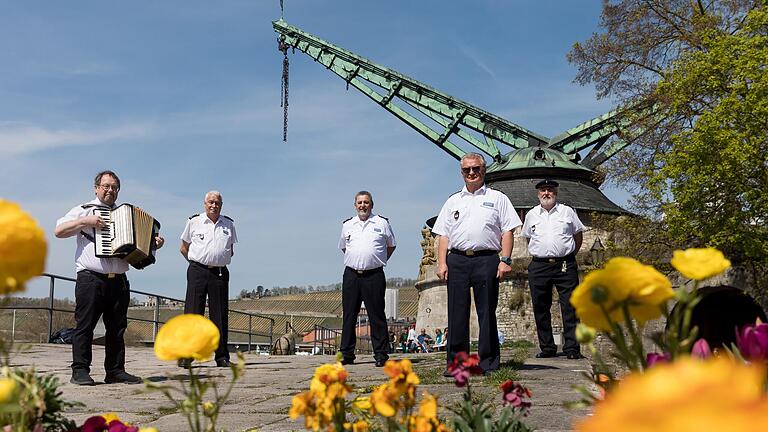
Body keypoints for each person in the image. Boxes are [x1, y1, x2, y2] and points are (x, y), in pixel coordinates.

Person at [55, 170, 165, 385]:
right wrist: (86, 221)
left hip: (119, 280)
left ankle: (115, 371)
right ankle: (80, 370)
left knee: (117, 328)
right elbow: (59, 231)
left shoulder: (126, 214)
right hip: (91, 278)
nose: (110, 190)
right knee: (84, 326)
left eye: (114, 187)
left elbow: (139, 246)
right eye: (106, 186)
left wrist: (155, 244)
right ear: (96, 188)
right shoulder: (84, 210)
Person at [433, 153, 522, 374]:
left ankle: (489, 362)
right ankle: (457, 364)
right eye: (467, 170)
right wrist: (441, 263)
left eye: (476, 169)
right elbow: (443, 235)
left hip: (487, 259)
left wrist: (505, 260)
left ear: (484, 170)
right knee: (456, 313)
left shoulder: (498, 198)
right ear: (461, 172)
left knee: (486, 311)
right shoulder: (453, 201)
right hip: (457, 260)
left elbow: (507, 231)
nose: (471, 173)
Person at [521, 179, 584, 360]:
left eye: (549, 190)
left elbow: (577, 235)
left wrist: (569, 254)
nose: (546, 193)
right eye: (543, 190)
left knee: (570, 306)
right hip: (539, 265)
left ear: (555, 192)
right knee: (540, 306)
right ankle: (547, 347)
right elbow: (528, 238)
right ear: (538, 194)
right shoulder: (532, 214)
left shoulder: (567, 212)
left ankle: (572, 348)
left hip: (565, 264)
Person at [180, 191, 238, 367]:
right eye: (211, 202)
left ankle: (221, 357)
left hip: (219, 273)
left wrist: (217, 260)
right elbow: (183, 248)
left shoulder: (229, 224)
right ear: (205, 204)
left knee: (219, 315)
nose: (214, 205)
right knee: (192, 313)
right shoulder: (194, 221)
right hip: (198, 271)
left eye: (218, 203)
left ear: (222, 205)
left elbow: (231, 250)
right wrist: (196, 263)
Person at [338, 191, 396, 367]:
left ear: (372, 204)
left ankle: (381, 354)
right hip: (352, 275)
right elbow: (343, 247)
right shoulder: (348, 225)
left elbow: (391, 246)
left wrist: (375, 260)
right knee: (349, 315)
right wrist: (358, 260)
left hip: (374, 275)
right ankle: (347, 354)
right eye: (359, 202)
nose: (363, 205)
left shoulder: (382, 223)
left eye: (366, 202)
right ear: (355, 205)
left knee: (376, 315)